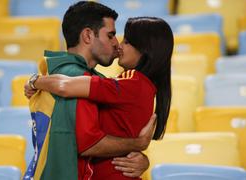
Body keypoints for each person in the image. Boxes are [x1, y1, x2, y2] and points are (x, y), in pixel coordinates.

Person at [25, 16, 174, 179]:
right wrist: (138, 147)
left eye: (127, 41)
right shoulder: (140, 85)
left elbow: (65, 86)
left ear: (145, 50)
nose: (119, 45)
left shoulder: (133, 84)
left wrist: (35, 81)